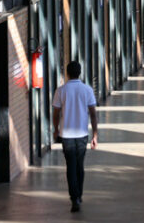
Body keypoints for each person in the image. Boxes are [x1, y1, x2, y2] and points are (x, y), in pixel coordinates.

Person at [52, 61, 98, 212]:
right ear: (80, 73)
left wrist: (55, 129)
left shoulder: (61, 91)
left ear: (67, 73)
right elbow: (93, 114)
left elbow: (56, 113)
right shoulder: (87, 90)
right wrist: (95, 135)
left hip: (66, 135)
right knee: (79, 166)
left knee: (70, 166)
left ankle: (74, 198)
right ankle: (79, 195)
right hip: (82, 134)